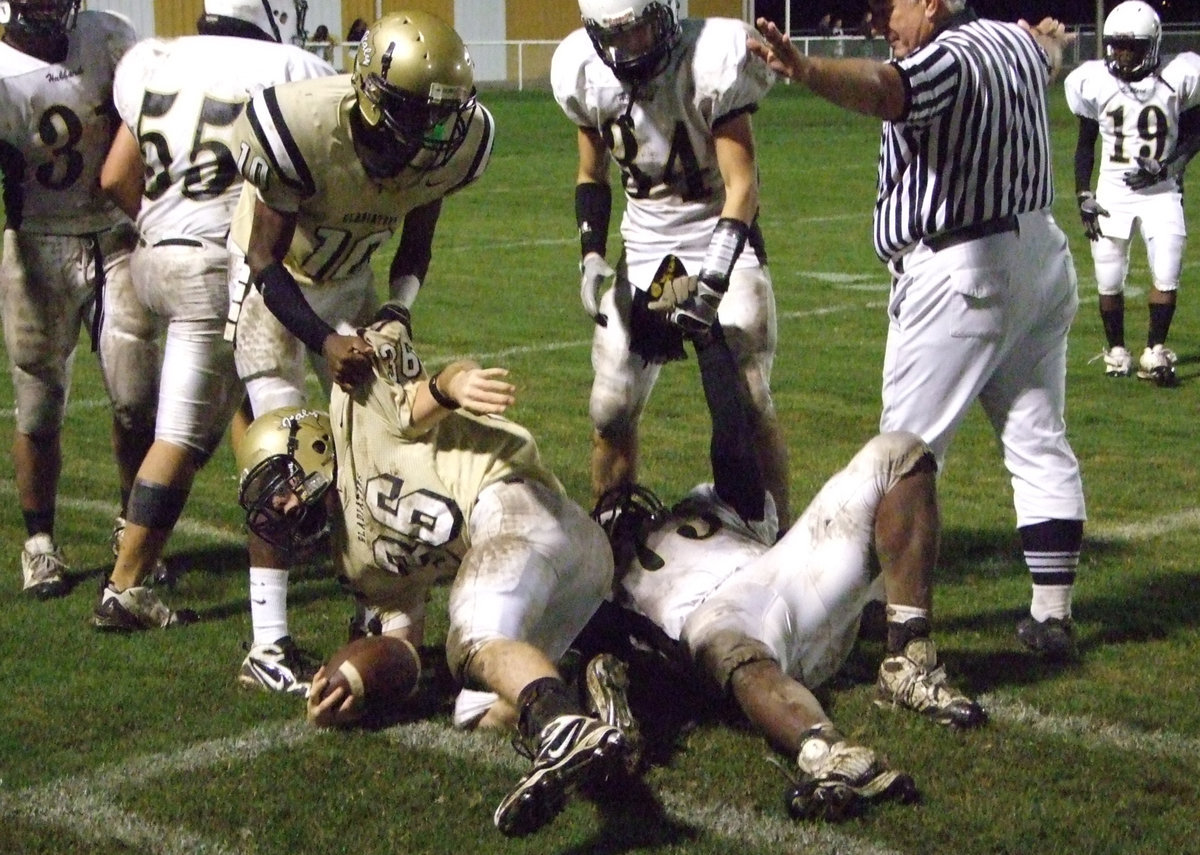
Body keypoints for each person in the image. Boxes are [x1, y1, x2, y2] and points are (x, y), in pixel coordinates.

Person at [748, 6, 1087, 661]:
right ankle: (1053, 614)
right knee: (1038, 436)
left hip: (964, 268)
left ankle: (894, 624)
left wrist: (807, 69)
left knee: (900, 456)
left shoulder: (947, 58)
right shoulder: (1012, 43)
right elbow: (1047, 54)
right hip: (1040, 255)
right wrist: (1049, 41)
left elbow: (886, 88)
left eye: (890, 7)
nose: (880, 21)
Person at [236, 307, 634, 837]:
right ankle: (592, 700)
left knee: (471, 633)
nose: (282, 510)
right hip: (559, 575)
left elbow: (429, 391)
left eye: (281, 488)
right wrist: (354, 685)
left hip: (522, 510)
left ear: (313, 449)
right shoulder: (355, 559)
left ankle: (559, 726)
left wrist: (455, 382)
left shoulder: (357, 413)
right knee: (475, 709)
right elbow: (405, 652)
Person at [590, 322, 983, 821]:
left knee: (899, 452)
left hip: (786, 578)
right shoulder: (597, 583)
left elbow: (733, 444)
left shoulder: (701, 508)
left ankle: (908, 659)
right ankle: (828, 753)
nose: (626, 513)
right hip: (715, 625)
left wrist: (708, 342)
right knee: (726, 644)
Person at [221, 11, 495, 695]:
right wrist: (324, 338)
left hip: (351, 284)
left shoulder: (449, 151)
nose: (434, 132)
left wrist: (398, 309)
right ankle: (266, 642)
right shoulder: (303, 126)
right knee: (288, 456)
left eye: (444, 116)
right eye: (418, 112)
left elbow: (418, 242)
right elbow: (263, 257)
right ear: (372, 96)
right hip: (276, 288)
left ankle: (374, 607)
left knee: (383, 450)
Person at [90, 1, 336, 636]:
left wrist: (162, 226)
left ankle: (294, 517)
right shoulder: (292, 67)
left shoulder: (154, 59)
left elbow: (114, 175)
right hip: (215, 266)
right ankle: (125, 584)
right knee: (181, 437)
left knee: (240, 394)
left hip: (154, 254)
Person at [550, 0, 791, 525]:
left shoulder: (710, 58)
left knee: (749, 399)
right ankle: (614, 530)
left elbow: (743, 187)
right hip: (647, 252)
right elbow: (591, 173)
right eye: (615, 36)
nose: (629, 47)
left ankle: (782, 538)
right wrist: (591, 254)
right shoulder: (583, 69)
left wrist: (712, 281)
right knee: (610, 407)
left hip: (720, 238)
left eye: (639, 30)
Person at [0, 0, 158, 599]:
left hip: (115, 234)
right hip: (38, 241)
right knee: (38, 405)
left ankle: (131, 526)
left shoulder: (109, 34)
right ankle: (40, 542)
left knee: (136, 397)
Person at [1064, 0, 1200, 386]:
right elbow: (1085, 145)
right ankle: (1116, 352)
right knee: (1108, 276)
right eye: (1117, 45)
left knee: (1168, 270)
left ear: (1152, 45)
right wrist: (1083, 194)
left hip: (1162, 191)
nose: (1123, 53)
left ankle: (1155, 350)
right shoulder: (1094, 81)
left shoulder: (1179, 75)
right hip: (1112, 192)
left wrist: (1170, 165)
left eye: (1132, 46)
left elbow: (1195, 132)